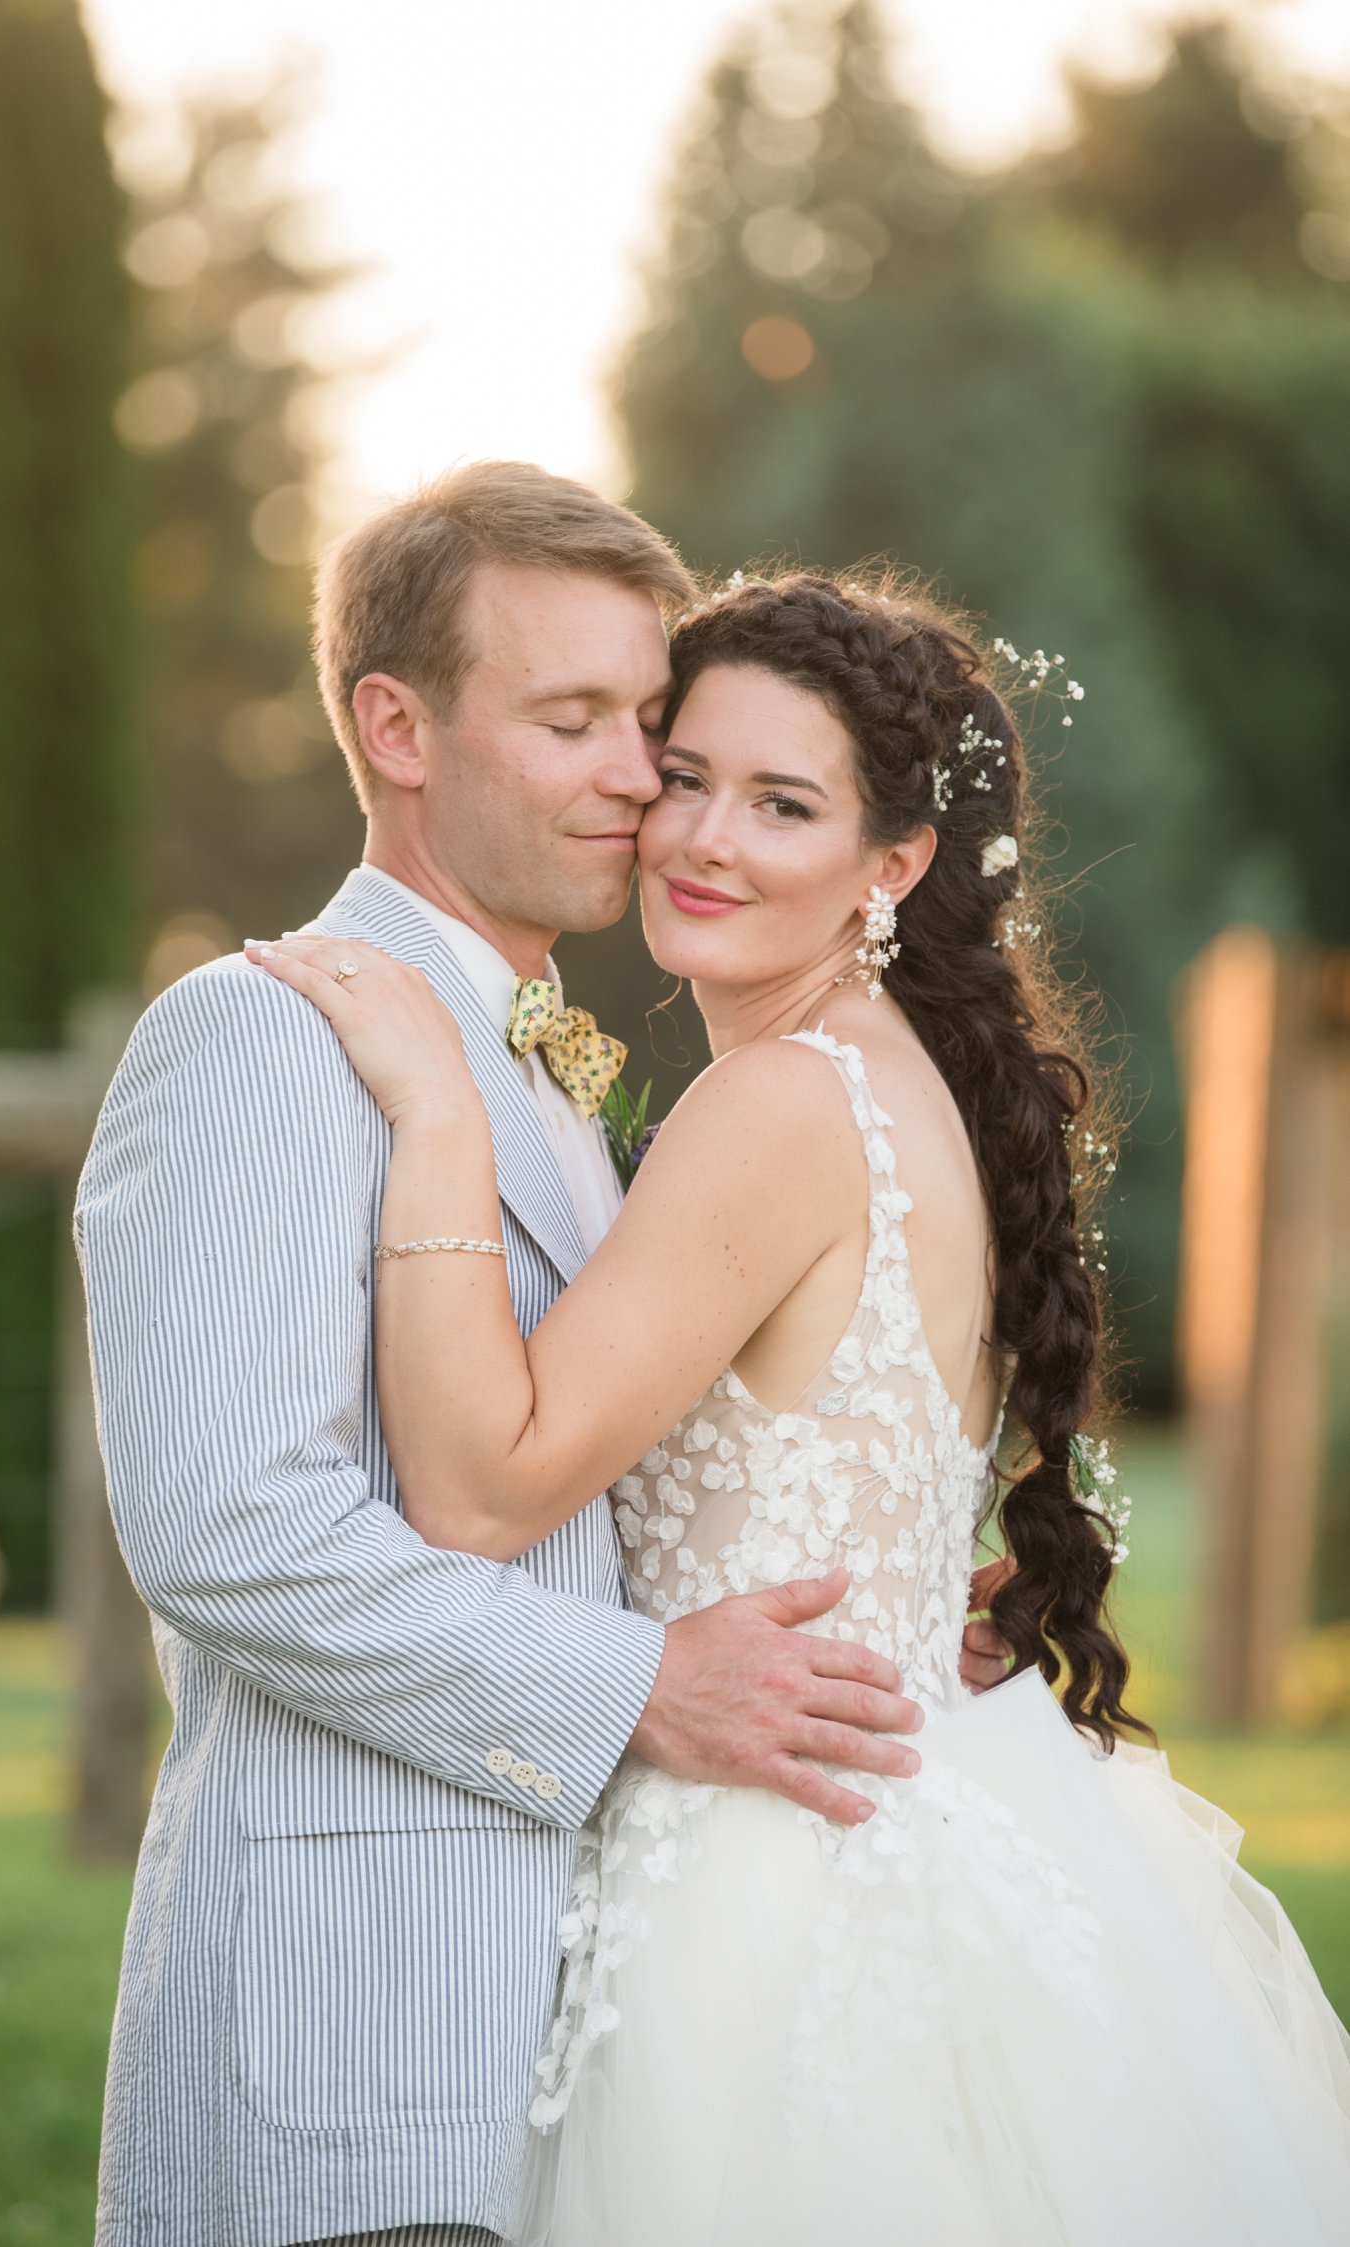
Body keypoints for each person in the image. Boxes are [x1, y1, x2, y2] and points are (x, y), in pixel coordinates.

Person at [253, 566, 1350, 2246]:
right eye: (683, 774)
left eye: (783, 803)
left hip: (762, 1873)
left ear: (892, 863)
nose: (700, 837)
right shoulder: (904, 1077)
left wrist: (438, 1119)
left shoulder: (776, 1101)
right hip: (905, 1803)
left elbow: (481, 1493)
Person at [80, 466, 1005, 2247]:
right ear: (395, 727)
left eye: (646, 720)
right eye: (573, 720)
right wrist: (635, 1686)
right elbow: (228, 1534)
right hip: (363, 2040)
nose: (638, 782)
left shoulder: (556, 1070)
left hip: (609, 2023)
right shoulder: (262, 1039)